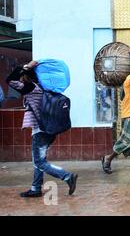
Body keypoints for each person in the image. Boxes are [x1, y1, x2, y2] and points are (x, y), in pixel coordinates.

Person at [6, 61, 78, 197]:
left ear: (26, 77)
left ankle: (67, 176)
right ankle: (36, 188)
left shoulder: (31, 88)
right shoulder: (44, 88)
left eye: (22, 77)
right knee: (38, 159)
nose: (20, 79)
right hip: (48, 130)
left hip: (41, 131)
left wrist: (25, 67)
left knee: (40, 161)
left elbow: (9, 80)